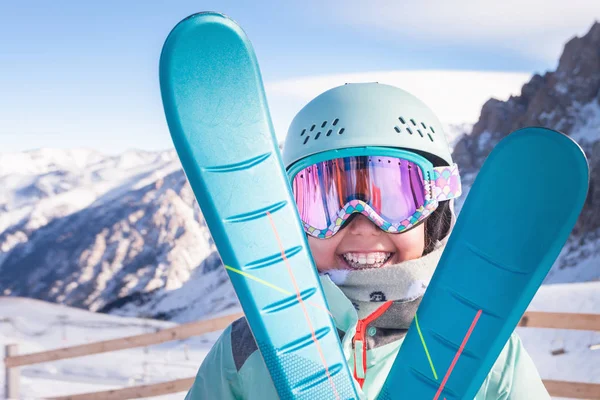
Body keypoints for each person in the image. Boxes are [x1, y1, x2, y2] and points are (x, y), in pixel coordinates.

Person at [185, 83, 550, 399]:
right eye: (325, 201)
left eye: (393, 199)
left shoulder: (483, 349)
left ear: (434, 215)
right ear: (293, 218)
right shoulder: (245, 349)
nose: (361, 225)